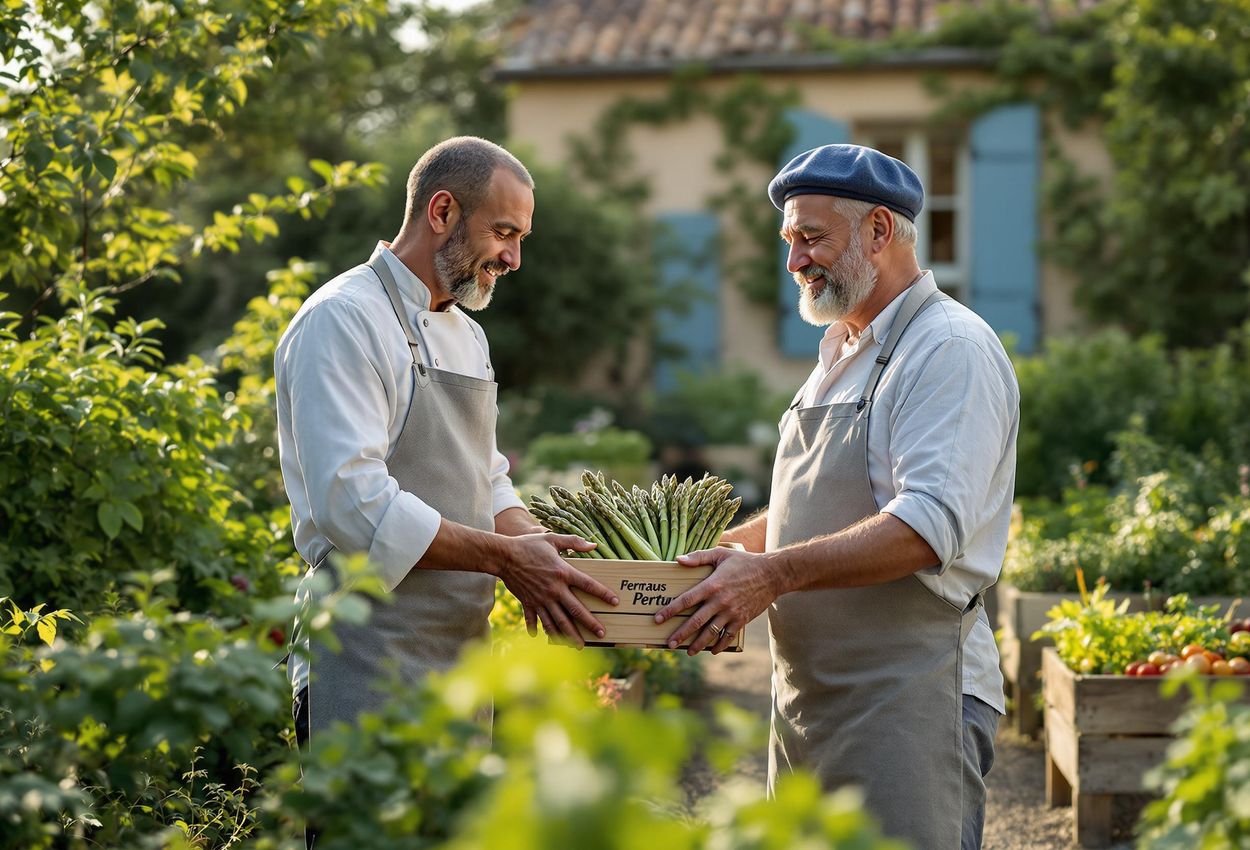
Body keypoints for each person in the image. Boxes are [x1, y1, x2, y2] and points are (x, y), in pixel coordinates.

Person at [654, 144, 1019, 850]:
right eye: (790, 240)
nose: (794, 261)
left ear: (879, 232)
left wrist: (769, 576)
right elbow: (810, 504)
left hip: (910, 699)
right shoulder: (840, 353)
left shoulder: (947, 348)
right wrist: (725, 554)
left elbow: (926, 526)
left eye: (811, 237)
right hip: (812, 700)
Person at [275, 137, 618, 757]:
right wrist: (507, 560)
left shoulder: (468, 335)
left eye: (522, 239)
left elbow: (484, 476)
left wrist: (534, 549)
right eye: (504, 233)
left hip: (460, 659)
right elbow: (352, 503)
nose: (513, 258)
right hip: (362, 652)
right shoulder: (343, 319)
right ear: (441, 213)